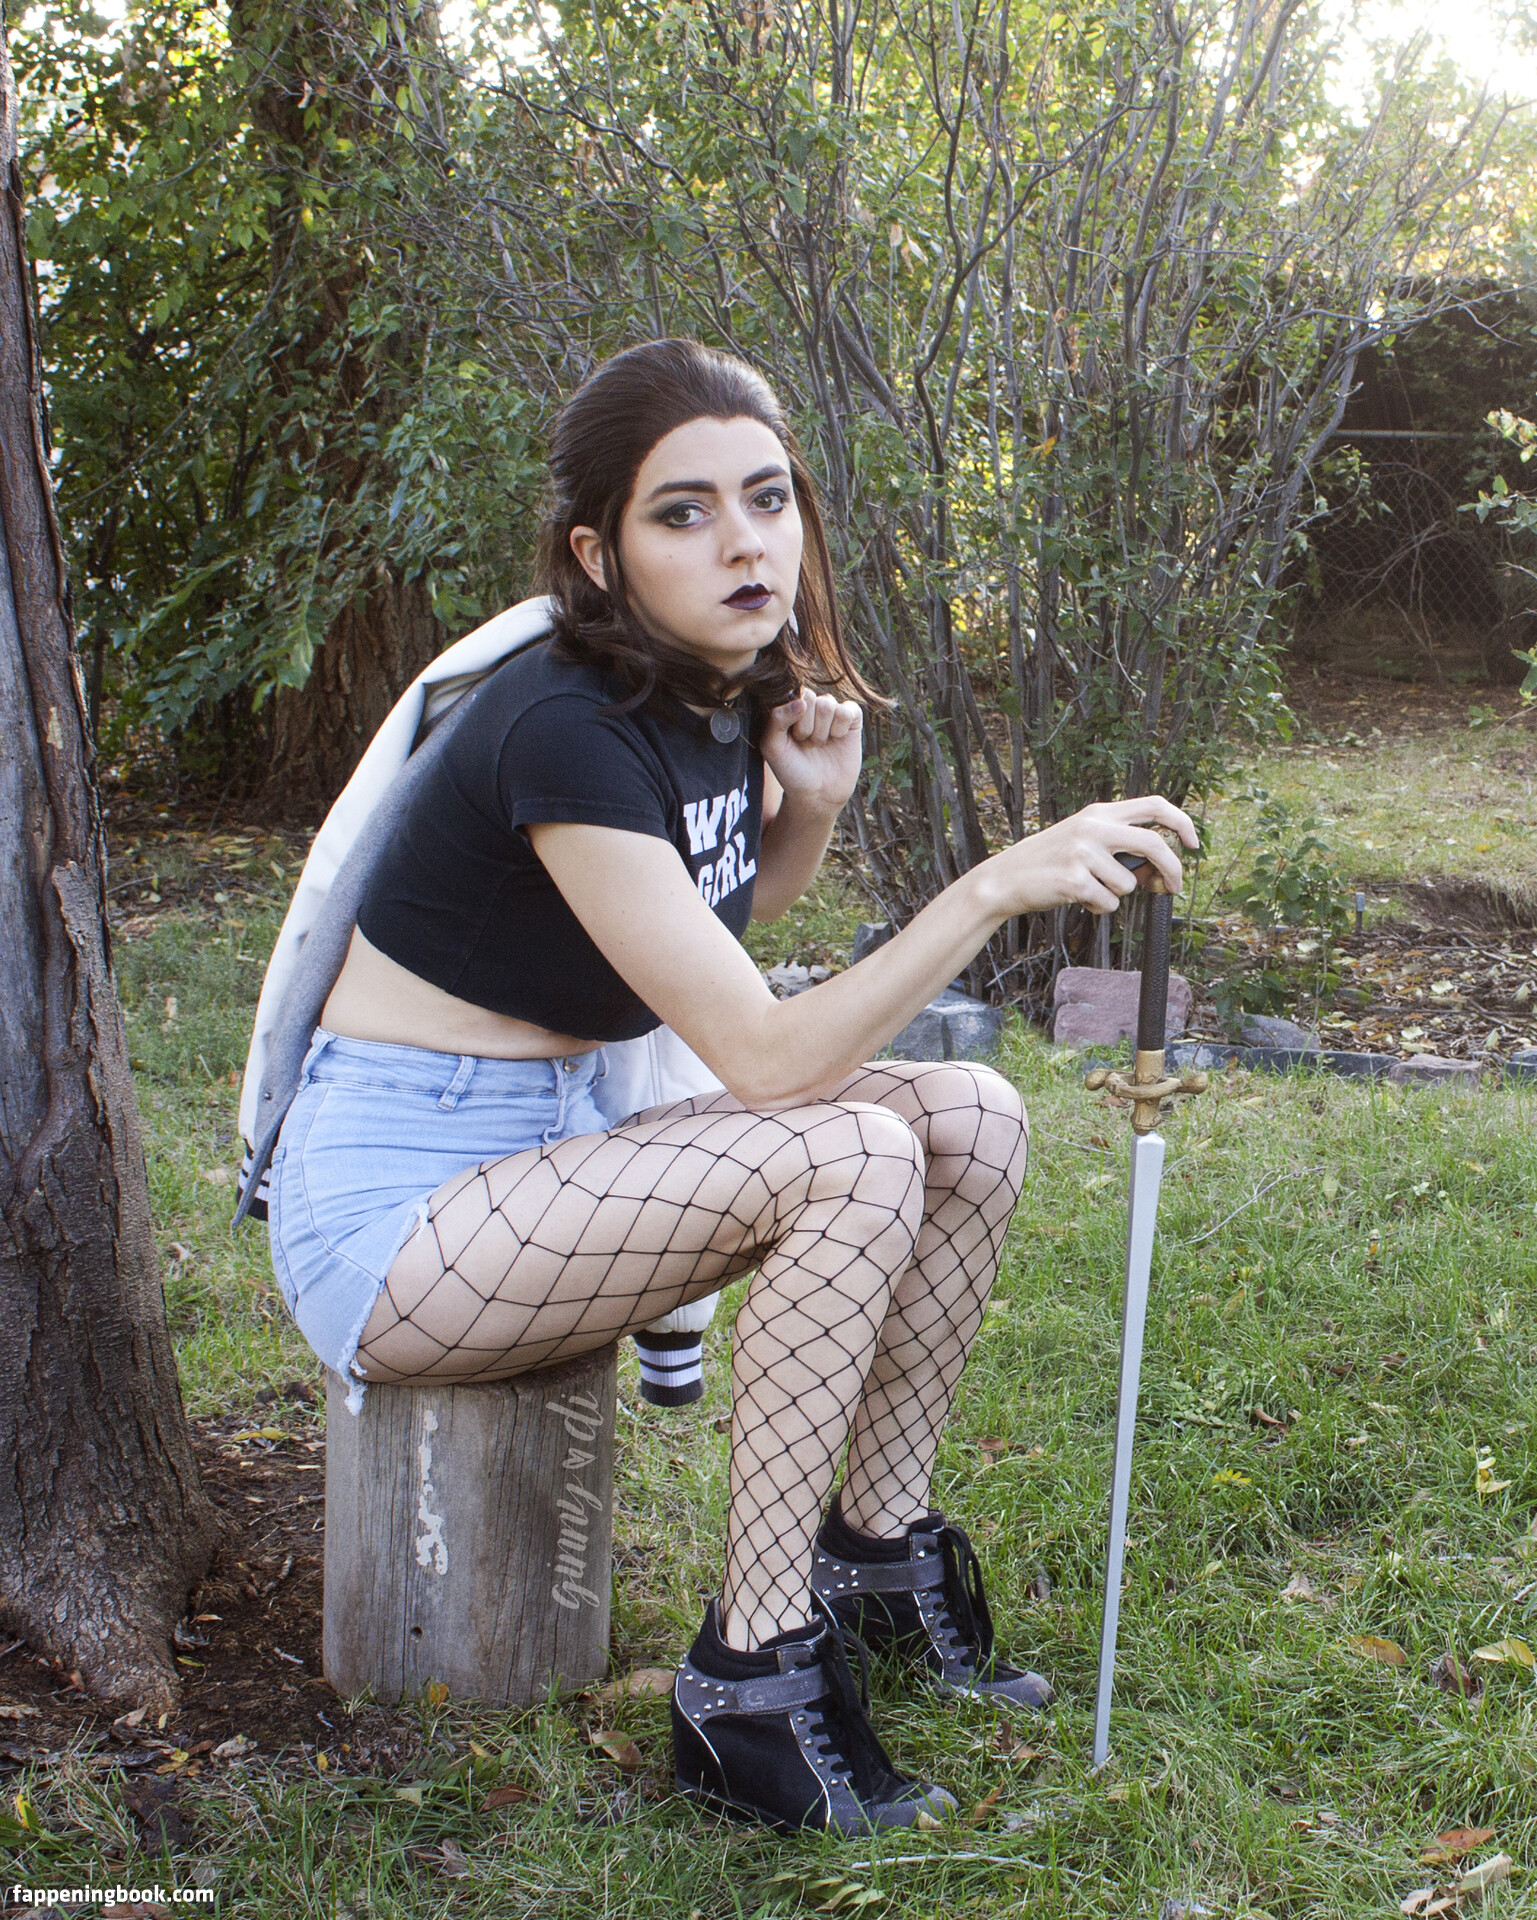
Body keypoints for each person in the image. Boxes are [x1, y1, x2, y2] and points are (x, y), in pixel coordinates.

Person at [268, 337, 1195, 1835]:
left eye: (766, 498)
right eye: (682, 511)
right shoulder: (564, 725)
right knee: (849, 1154)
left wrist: (805, 814)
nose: (744, 542)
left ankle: (875, 1555)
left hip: (562, 1147)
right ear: (600, 554)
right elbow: (763, 1055)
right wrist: (987, 887)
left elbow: (700, 939)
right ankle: (750, 1675)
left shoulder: (705, 696)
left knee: (968, 1116)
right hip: (399, 1213)